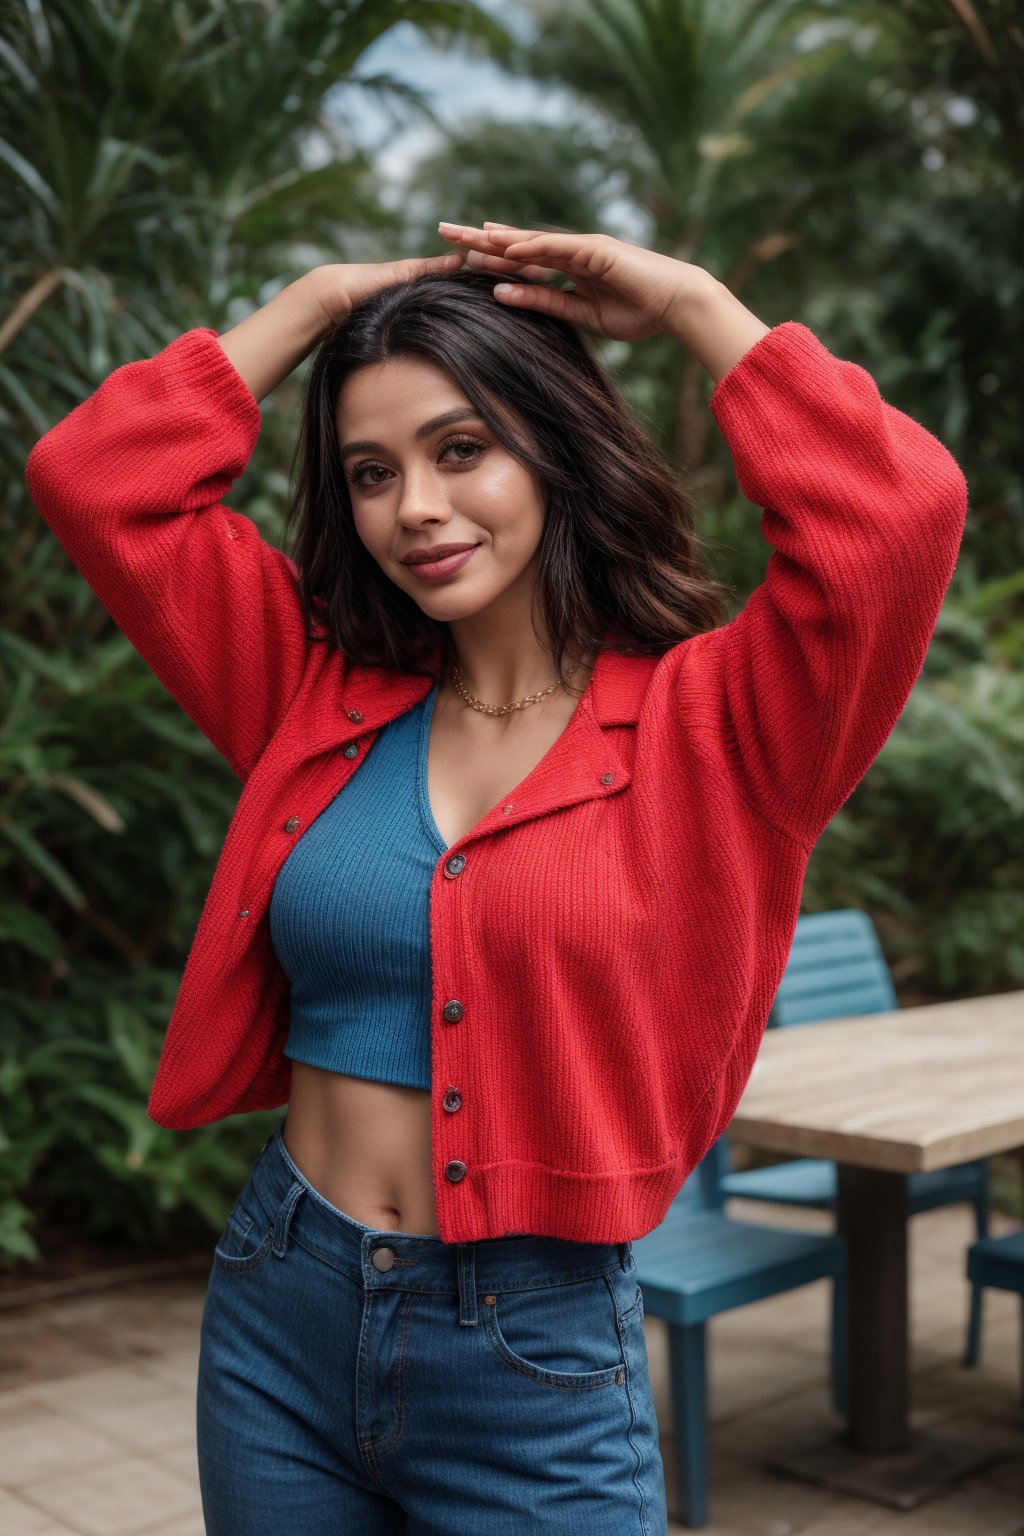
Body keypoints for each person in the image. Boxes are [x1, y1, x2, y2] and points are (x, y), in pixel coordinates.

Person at [25, 223, 969, 1534]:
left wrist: (691, 300)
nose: (415, 507)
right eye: (371, 471)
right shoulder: (313, 690)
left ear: (556, 445)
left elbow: (895, 515)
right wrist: (324, 298)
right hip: (279, 1302)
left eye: (460, 449)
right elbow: (98, 476)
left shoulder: (725, 727)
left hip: (528, 1347)